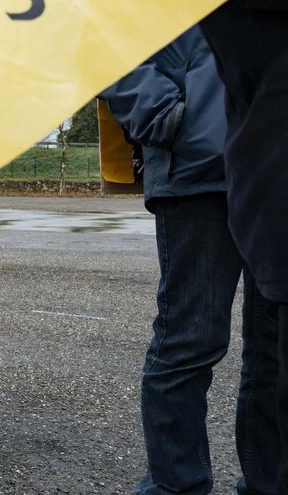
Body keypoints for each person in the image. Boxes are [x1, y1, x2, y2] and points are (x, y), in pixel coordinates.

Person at [100, 25, 279, 495]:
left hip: (277, 160)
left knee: (277, 350)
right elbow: (94, 34)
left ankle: (270, 484)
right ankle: (176, 488)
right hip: (200, 162)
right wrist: (162, 112)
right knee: (190, 339)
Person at [197, 0, 288, 492]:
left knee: (266, 354)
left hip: (258, 185)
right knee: (196, 340)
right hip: (223, 174)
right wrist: (168, 117)